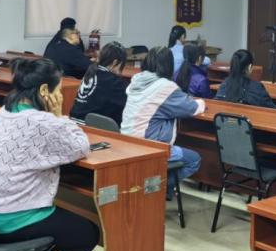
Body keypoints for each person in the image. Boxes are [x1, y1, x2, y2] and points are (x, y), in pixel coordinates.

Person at [0, 58, 99, 251]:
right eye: (58, 90)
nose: (60, 95)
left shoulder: (5, 111)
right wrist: (58, 115)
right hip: (8, 221)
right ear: (45, 90)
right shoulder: (42, 122)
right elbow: (81, 146)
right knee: (87, 233)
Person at [121, 46, 205, 197]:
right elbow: (192, 108)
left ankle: (158, 190)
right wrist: (202, 102)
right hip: (149, 146)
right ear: (168, 65)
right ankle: (157, 189)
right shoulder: (165, 87)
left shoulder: (137, 81)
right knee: (194, 159)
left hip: (127, 141)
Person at [70, 42, 129, 126]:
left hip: (74, 121)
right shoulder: (114, 82)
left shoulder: (91, 72)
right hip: (92, 127)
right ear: (115, 62)